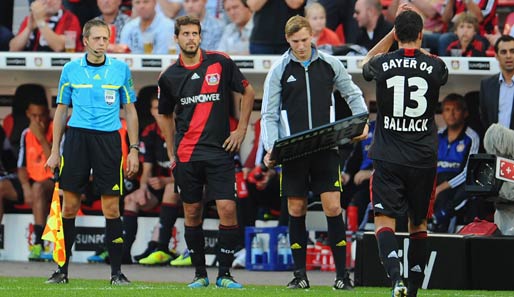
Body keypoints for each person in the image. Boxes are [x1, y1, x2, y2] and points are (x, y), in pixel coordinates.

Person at [260, 15, 368, 290]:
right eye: (295, 41)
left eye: (305, 40)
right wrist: (270, 147)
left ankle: (342, 276)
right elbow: (269, 114)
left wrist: (362, 120)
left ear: (312, 37)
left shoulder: (330, 64)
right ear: (288, 40)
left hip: (324, 147)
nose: (300, 46)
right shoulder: (279, 69)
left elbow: (352, 93)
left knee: (333, 206)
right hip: (293, 151)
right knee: (296, 209)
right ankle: (300, 275)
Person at [158, 15, 255, 288]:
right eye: (185, 34)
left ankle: (224, 274)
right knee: (191, 213)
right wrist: (170, 149)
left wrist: (241, 130)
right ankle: (200, 274)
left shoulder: (220, 62)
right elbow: (164, 115)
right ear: (176, 38)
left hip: (219, 152)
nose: (191, 38)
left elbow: (248, 93)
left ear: (201, 36)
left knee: (227, 209)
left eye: (195, 33)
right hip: (187, 155)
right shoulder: (168, 76)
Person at [44, 18, 139, 285]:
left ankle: (117, 272)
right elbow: (61, 110)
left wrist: (133, 149)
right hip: (76, 140)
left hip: (109, 141)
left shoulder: (120, 69)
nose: (101, 43)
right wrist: (54, 151)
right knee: (70, 206)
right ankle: (61, 271)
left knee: (111, 208)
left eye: (105, 39)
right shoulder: (70, 69)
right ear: (85, 41)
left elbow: (130, 110)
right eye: (96, 38)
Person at [362, 5, 448, 297]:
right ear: (422, 34)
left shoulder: (382, 62)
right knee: (419, 223)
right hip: (423, 158)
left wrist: (391, 34)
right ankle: (412, 290)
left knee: (384, 220)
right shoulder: (437, 66)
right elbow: (439, 69)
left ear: (397, 34)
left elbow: (365, 62)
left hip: (388, 155)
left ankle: (395, 277)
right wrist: (414, 47)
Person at [123, 93, 181, 266]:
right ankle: (124, 253)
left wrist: (166, 182)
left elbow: (188, 170)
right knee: (131, 199)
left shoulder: (182, 131)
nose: (161, 112)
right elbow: (147, 168)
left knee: (171, 189)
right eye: (156, 109)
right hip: (159, 185)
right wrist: (142, 188)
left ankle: (161, 248)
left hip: (182, 185)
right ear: (151, 111)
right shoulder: (149, 132)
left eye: (164, 108)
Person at [431, 93, 479, 233]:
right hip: (436, 182)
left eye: (456, 109)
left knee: (462, 191)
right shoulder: (438, 135)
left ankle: (442, 220)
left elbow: (468, 172)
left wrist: (441, 188)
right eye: (447, 109)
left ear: (465, 113)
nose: (451, 114)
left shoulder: (471, 137)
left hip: (456, 183)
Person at [18, 96, 55, 261]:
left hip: (53, 180)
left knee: (38, 188)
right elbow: (21, 166)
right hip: (32, 180)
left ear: (48, 114)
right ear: (27, 114)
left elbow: (57, 166)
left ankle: (39, 243)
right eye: (34, 116)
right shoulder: (25, 133)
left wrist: (41, 138)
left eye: (41, 115)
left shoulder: (57, 128)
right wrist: (25, 187)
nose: (38, 120)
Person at [9, 0, 82, 52]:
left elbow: (59, 47)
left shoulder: (70, 19)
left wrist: (40, 22)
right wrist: (28, 29)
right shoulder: (30, 19)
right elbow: (13, 48)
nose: (48, 1)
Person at [480, 35, 514, 130]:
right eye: (503, 52)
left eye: (512, 51)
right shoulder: (486, 85)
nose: (508, 56)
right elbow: (484, 117)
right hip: (495, 144)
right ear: (496, 56)